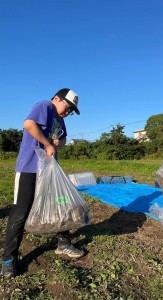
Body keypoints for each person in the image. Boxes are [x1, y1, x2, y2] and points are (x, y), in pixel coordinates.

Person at [1, 88, 85, 279]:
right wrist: (47, 144)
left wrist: (57, 142)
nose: (68, 112)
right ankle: (8, 259)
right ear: (57, 98)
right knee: (20, 211)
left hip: (49, 171)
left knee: (62, 205)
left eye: (72, 110)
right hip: (29, 168)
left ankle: (63, 243)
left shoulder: (60, 120)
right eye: (68, 106)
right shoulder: (44, 106)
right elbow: (29, 124)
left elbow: (62, 140)